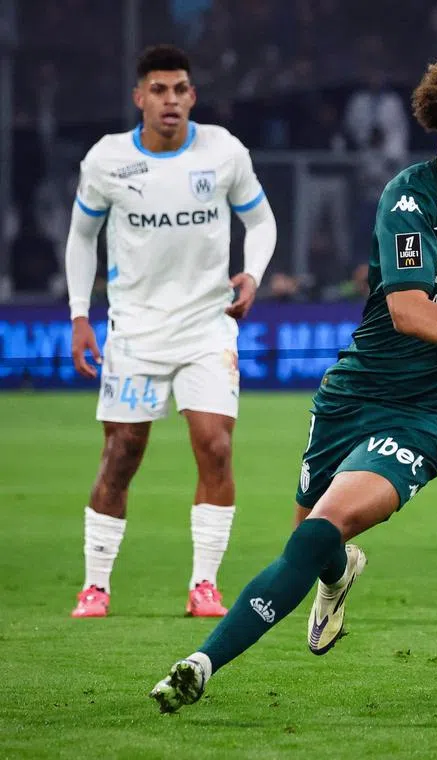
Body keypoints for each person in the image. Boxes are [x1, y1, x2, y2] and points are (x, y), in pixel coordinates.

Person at [149, 45, 437, 713]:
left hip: (427, 418)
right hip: (352, 397)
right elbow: (408, 311)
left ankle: (202, 665)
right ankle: (340, 575)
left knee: (321, 528)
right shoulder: (407, 198)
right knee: (312, 543)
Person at [65, 44, 277, 618]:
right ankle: (96, 586)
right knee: (122, 452)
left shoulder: (222, 151)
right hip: (134, 331)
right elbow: (82, 236)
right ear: (140, 97)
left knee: (216, 446)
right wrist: (80, 315)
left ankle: (204, 584)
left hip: (208, 326)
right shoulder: (107, 160)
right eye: (159, 89)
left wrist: (252, 275)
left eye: (180, 89)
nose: (171, 100)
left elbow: (259, 220)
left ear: (193, 96)